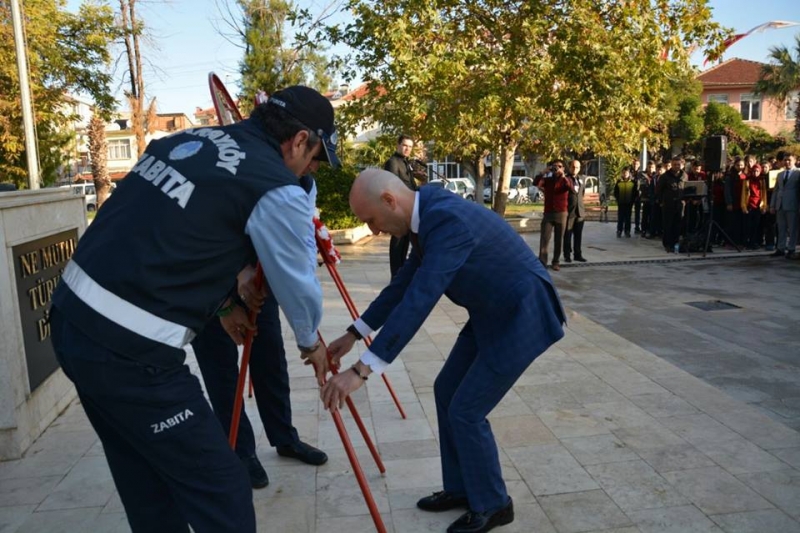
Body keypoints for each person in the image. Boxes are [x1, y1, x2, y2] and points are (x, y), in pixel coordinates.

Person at [48, 85, 338, 533]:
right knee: (223, 490)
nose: (312, 169)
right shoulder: (275, 185)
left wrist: (224, 305)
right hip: (130, 353)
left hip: (70, 320)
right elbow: (297, 284)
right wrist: (310, 343)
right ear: (300, 140)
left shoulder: (188, 142)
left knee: (147, 484)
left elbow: (172, 235)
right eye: (316, 158)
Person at [321, 169, 566, 533]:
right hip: (491, 311)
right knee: (446, 390)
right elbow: (404, 284)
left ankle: (495, 503)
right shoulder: (426, 217)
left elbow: (420, 300)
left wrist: (361, 371)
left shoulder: (445, 221)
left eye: (371, 220)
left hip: (522, 314)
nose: (373, 231)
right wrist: (355, 332)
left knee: (466, 410)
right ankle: (462, 488)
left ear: (390, 201)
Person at [190, 264, 328, 491]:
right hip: (204, 284)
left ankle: (285, 437)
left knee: (271, 361)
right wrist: (224, 304)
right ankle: (241, 451)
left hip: (254, 282)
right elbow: (188, 247)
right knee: (221, 375)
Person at [384, 134, 418, 277]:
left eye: (410, 147)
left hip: (409, 209)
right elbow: (392, 186)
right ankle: (396, 274)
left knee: (405, 242)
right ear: (398, 145)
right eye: (405, 145)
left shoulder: (406, 163)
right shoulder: (392, 162)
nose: (407, 149)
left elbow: (410, 184)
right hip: (398, 209)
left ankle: (402, 273)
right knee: (398, 241)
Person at [533, 160, 571, 271]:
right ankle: (542, 263)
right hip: (548, 213)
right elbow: (536, 183)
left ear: (563, 168)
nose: (556, 168)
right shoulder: (547, 180)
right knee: (544, 238)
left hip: (561, 213)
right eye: (554, 166)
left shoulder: (566, 180)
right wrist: (543, 172)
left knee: (559, 239)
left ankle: (556, 262)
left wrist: (563, 175)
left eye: (559, 166)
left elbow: (570, 187)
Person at [769, 153, 800, 259]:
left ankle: (791, 249)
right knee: (781, 228)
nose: (787, 162)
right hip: (780, 205)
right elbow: (776, 190)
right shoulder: (780, 174)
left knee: (792, 229)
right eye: (785, 160)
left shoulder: (798, 173)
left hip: (792, 204)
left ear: (794, 161)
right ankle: (780, 248)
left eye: (789, 160)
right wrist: (772, 205)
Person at [656, 156, 687, 253]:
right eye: (675, 165)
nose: (677, 166)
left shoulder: (684, 175)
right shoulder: (665, 176)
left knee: (678, 225)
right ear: (671, 165)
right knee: (668, 225)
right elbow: (659, 190)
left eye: (678, 164)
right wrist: (661, 202)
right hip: (668, 204)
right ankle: (668, 244)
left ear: (681, 165)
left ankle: (675, 243)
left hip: (680, 204)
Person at [563, 159, 588, 262]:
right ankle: (567, 255)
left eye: (577, 167)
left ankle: (578, 254)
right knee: (567, 235)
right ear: (569, 167)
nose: (575, 169)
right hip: (569, 212)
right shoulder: (565, 179)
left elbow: (581, 194)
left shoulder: (581, 179)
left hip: (580, 212)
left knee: (578, 235)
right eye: (573, 167)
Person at [613, 166, 637, 238]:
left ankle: (627, 231)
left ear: (629, 173)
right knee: (620, 217)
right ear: (621, 173)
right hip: (621, 203)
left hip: (629, 203)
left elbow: (635, 193)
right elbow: (615, 192)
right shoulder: (619, 182)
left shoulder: (633, 182)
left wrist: (632, 200)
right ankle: (619, 230)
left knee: (628, 218)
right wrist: (618, 199)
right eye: (623, 173)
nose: (625, 174)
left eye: (626, 172)